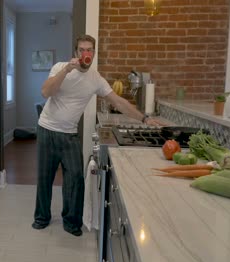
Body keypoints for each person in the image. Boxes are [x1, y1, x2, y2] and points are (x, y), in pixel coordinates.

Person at [32, 34, 164, 236]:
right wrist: (67, 70)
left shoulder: (95, 79)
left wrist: (145, 119)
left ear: (94, 53)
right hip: (47, 129)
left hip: (69, 134)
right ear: (76, 52)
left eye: (90, 50)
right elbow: (45, 92)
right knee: (44, 177)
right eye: (82, 50)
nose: (86, 54)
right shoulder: (60, 67)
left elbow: (118, 102)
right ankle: (42, 217)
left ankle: (71, 222)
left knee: (76, 178)